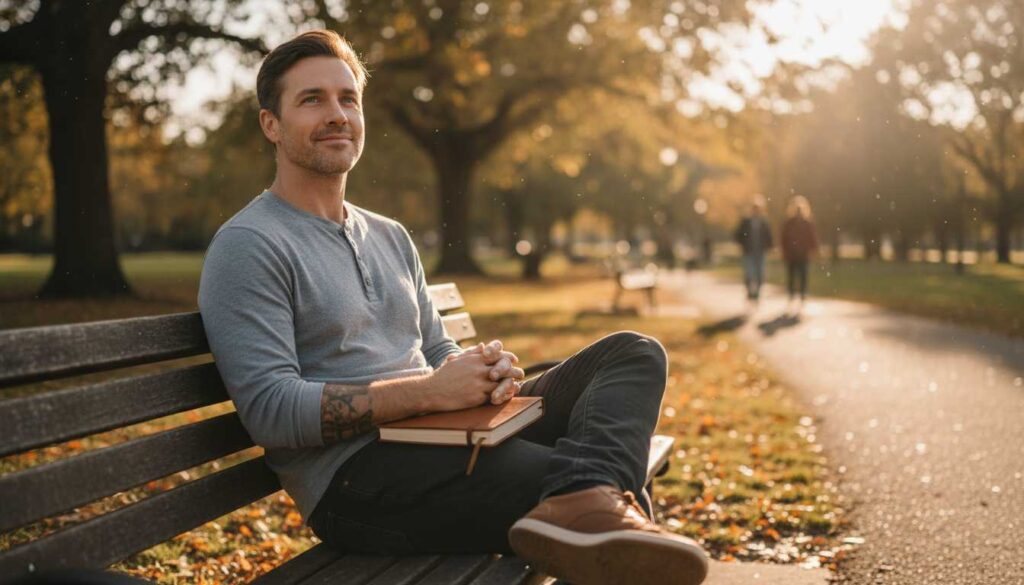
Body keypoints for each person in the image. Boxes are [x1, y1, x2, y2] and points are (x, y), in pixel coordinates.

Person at [197, 30, 707, 585]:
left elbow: (437, 347)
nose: (337, 114)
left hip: (448, 434)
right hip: (358, 482)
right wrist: (431, 391)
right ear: (271, 124)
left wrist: (482, 371)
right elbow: (271, 410)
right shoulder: (249, 245)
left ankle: (586, 503)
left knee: (631, 354)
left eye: (348, 99)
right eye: (311, 99)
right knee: (583, 480)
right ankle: (588, 506)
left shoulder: (388, 235)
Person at [780, 195, 819, 312]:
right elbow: (784, 238)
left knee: (803, 276)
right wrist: (784, 251)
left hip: (803, 254)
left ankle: (802, 295)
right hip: (791, 255)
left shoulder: (807, 223)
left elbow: (812, 237)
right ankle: (792, 295)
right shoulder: (788, 223)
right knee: (792, 276)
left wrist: (814, 249)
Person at [733, 196, 773, 302]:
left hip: (760, 251)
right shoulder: (746, 221)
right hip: (748, 251)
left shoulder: (764, 222)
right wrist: (742, 244)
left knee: (760, 273)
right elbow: (738, 234)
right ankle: (750, 291)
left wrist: (769, 247)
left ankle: (757, 292)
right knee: (749, 273)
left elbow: (769, 236)